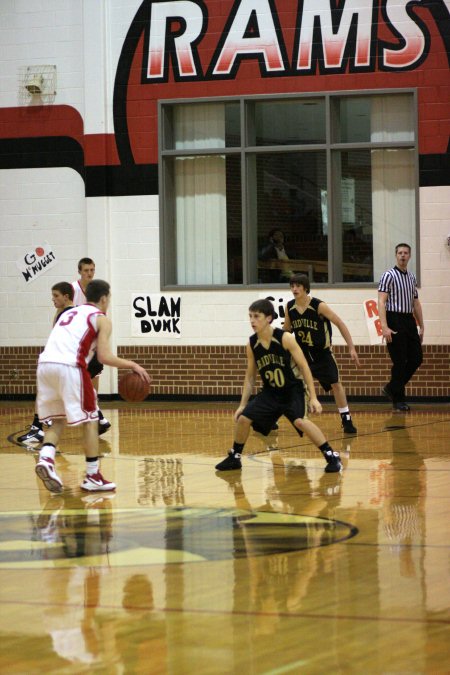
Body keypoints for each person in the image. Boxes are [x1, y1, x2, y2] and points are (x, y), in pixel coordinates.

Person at [35, 279, 151, 493]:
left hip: (44, 365)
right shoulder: (101, 318)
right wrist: (133, 365)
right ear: (105, 298)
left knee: (58, 420)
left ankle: (46, 458)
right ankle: (92, 476)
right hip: (68, 367)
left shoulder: (71, 312)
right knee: (91, 420)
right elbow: (104, 356)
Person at [215, 299, 342, 473]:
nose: (252, 321)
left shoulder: (285, 338)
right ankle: (235, 457)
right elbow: (250, 377)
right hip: (271, 393)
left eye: (256, 316)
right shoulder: (252, 344)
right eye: (250, 316)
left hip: (293, 390)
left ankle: (332, 456)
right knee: (244, 418)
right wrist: (242, 405)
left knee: (301, 421)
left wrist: (313, 397)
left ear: (268, 318)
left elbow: (304, 367)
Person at [283, 274, 359, 434]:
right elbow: (286, 332)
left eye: (298, 286)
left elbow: (339, 323)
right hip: (302, 355)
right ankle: (274, 418)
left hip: (322, 354)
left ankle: (346, 419)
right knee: (287, 385)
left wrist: (351, 347)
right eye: (292, 286)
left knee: (336, 384)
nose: (294, 289)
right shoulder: (289, 307)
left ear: (305, 288)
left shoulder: (318, 305)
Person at [17, 282, 75, 444]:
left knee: (45, 395)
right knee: (51, 397)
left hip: (62, 363)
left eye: (56, 296)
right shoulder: (64, 312)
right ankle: (41, 425)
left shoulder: (67, 314)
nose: (53, 299)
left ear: (66, 296)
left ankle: (38, 429)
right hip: (65, 363)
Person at [378, 243, 424, 411]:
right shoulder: (388, 275)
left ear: (409, 256)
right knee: (399, 361)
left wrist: (422, 326)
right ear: (396, 255)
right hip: (394, 318)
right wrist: (384, 326)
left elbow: (416, 303)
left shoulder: (411, 277)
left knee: (417, 358)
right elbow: (381, 302)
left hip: (408, 320)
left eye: (405, 253)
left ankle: (391, 388)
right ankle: (398, 400)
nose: (403, 255)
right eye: (400, 253)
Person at [72, 257, 111, 434]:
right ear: (79, 271)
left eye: (92, 270)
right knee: (77, 379)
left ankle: (95, 410)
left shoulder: (97, 291)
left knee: (94, 374)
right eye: (86, 270)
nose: (89, 273)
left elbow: (101, 316)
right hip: (75, 341)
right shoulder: (73, 289)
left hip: (91, 340)